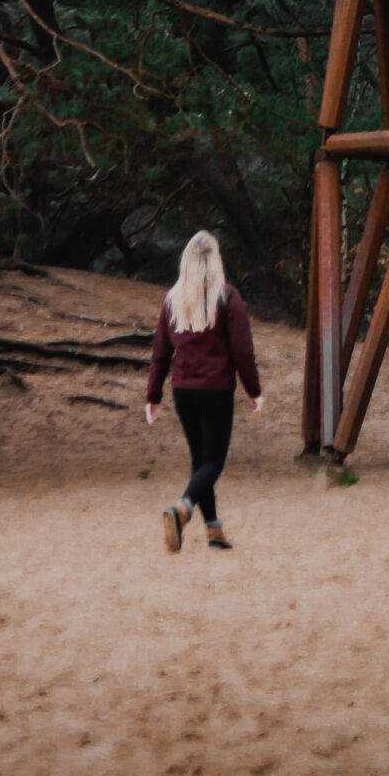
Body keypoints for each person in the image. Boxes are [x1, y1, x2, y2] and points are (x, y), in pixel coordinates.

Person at [146, 230, 263, 551]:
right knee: (214, 463)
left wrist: (153, 396)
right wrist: (255, 390)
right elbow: (242, 350)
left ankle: (214, 531)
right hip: (216, 390)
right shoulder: (227, 297)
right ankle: (182, 508)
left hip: (183, 390)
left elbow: (160, 351)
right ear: (216, 261)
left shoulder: (172, 299)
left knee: (201, 461)